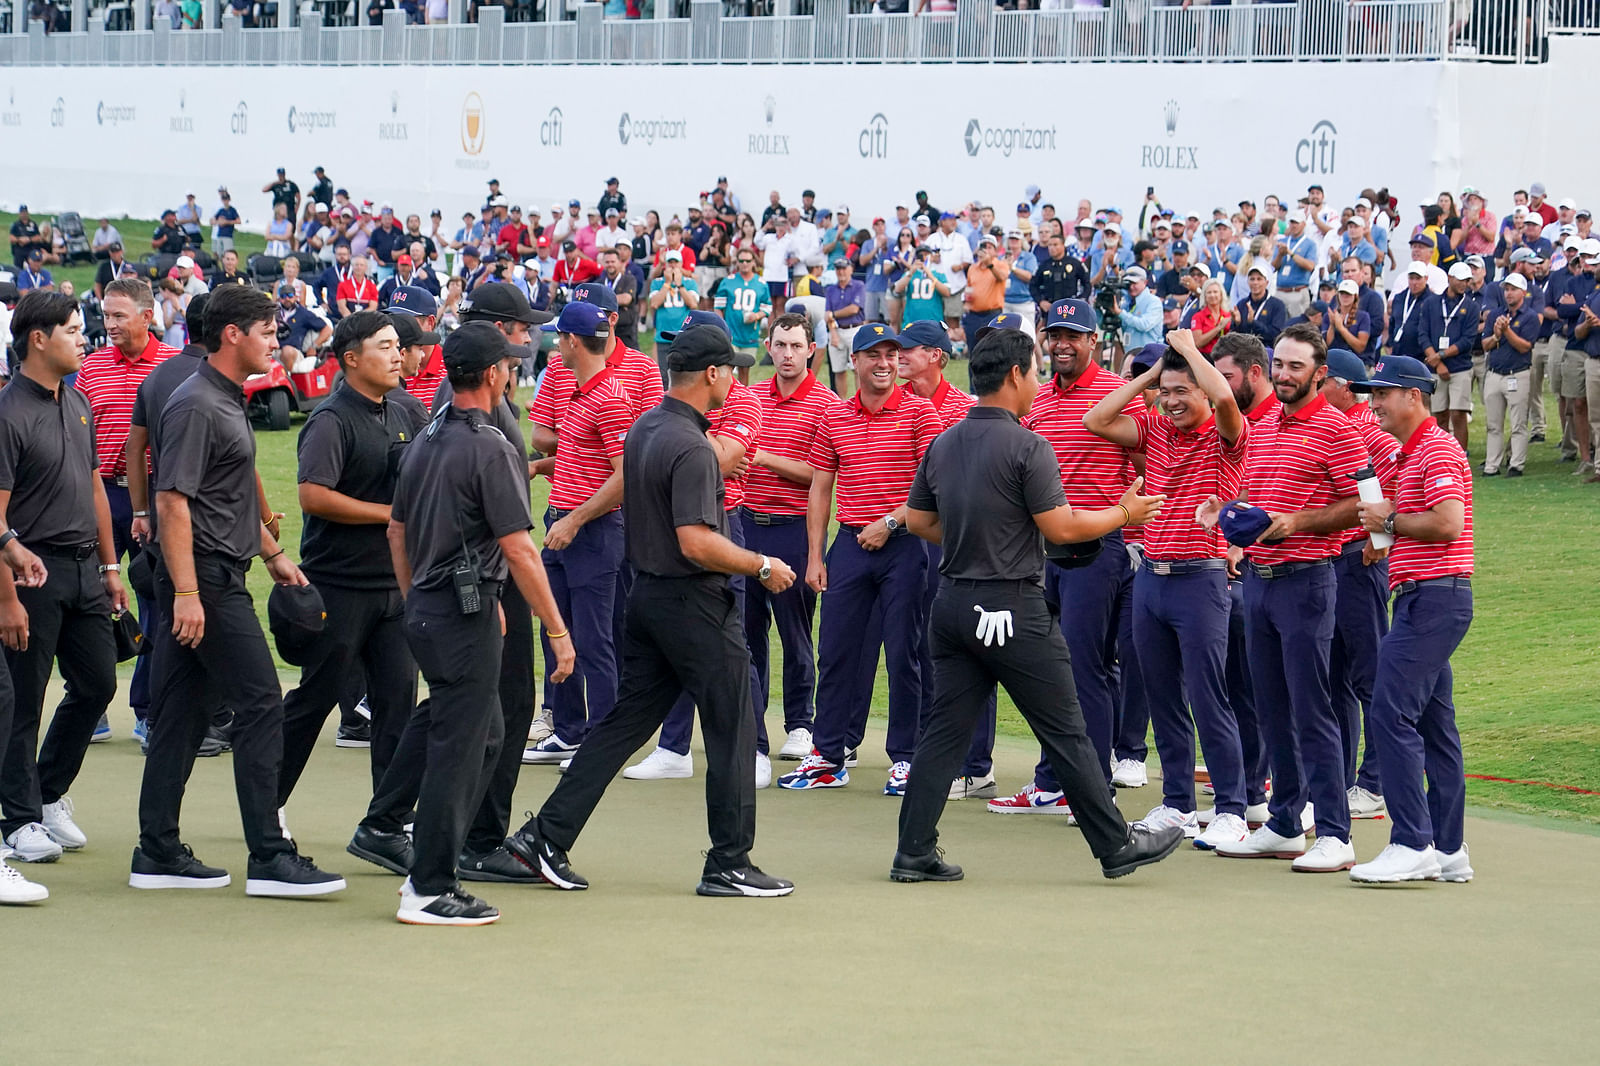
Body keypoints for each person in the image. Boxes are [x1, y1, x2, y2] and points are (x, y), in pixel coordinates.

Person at [504, 325, 798, 898]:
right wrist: (761, 564)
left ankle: (544, 836)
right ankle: (729, 863)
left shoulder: (647, 427)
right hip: (693, 603)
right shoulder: (690, 445)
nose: (737, 378)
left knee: (623, 725)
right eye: (731, 369)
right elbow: (695, 541)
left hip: (648, 599)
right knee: (735, 723)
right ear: (711, 375)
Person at [891, 328, 1182, 884]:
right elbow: (1063, 527)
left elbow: (920, 522)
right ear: (1015, 376)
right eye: (1033, 371)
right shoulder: (1029, 445)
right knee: (1066, 729)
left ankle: (914, 849)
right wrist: (1125, 514)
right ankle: (1116, 844)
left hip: (952, 607)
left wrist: (976, 538)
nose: (1037, 383)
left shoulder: (944, 442)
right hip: (1009, 607)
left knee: (943, 732)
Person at [133, 284, 345, 897]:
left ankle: (157, 850)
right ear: (233, 334)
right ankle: (270, 857)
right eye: (268, 331)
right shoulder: (198, 403)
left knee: (182, 713)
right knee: (261, 706)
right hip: (206, 583)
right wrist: (188, 593)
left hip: (217, 573)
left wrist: (273, 553)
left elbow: (227, 491)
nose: (278, 340)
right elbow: (173, 500)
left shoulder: (221, 398)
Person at [384, 322, 572, 925]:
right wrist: (557, 630)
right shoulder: (489, 443)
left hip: (435, 609)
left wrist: (418, 597)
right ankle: (428, 885)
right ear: (492, 374)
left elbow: (397, 530)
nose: (513, 373)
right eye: (509, 366)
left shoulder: (428, 435)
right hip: (460, 616)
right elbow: (519, 548)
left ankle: (437, 863)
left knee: (485, 732)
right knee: (460, 748)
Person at [1082, 329, 1254, 848]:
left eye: (1185, 391)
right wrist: (1152, 376)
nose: (1174, 401)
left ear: (1203, 389)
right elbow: (1097, 420)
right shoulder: (1157, 429)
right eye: (1168, 393)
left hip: (1200, 578)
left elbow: (1225, 398)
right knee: (1163, 700)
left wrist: (1192, 352)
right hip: (1150, 578)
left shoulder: (1227, 437)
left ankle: (1231, 809)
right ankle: (1178, 803)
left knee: (1208, 697)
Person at [1216, 323, 1368, 872]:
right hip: (1259, 579)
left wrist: (1295, 522)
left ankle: (1334, 831)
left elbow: (1362, 506)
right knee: (1271, 706)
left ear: (1319, 373)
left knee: (1312, 708)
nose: (1283, 374)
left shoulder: (1336, 428)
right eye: (1278, 364)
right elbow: (1254, 492)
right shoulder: (1263, 427)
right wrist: (1236, 523)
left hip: (1308, 580)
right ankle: (1283, 823)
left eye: (1295, 366)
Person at [778, 325, 941, 796]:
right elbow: (820, 489)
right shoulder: (835, 416)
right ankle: (828, 756)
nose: (885, 363)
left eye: (892, 354)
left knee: (903, 654)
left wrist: (890, 523)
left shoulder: (919, 413)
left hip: (905, 545)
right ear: (855, 362)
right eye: (874, 355)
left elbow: (932, 487)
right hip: (850, 545)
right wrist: (815, 557)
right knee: (836, 651)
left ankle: (906, 758)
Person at [274, 311, 422, 830]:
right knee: (314, 700)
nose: (398, 354)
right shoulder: (331, 419)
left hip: (393, 589)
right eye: (385, 347)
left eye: (398, 346)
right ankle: (268, 804)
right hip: (338, 587)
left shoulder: (404, 412)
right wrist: (390, 515)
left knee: (398, 705)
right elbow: (312, 495)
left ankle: (390, 818)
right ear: (352, 358)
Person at [0, 292, 124, 865]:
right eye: (73, 331)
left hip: (84, 571)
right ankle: (17, 819)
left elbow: (95, 486)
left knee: (98, 684)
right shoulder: (7, 413)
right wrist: (7, 599)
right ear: (38, 339)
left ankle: (46, 795)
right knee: (23, 700)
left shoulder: (78, 403)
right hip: (30, 574)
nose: (85, 339)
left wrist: (109, 565)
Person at [1346, 355, 1474, 884]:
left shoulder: (1436, 449)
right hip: (1427, 598)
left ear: (1413, 397)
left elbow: (1447, 523)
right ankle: (1447, 848)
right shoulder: (1412, 452)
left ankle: (1411, 841)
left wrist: (1390, 520)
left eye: (1383, 393)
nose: (1374, 402)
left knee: (1390, 712)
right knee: (1434, 723)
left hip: (1434, 598)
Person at [518, 303, 632, 765]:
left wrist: (575, 519)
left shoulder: (610, 397)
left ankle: (601, 743)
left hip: (592, 532)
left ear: (571, 341)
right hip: (563, 525)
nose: (553, 345)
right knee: (555, 629)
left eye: (557, 338)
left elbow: (625, 475)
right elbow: (584, 460)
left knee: (593, 639)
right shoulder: (583, 392)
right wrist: (541, 467)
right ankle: (567, 731)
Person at [73, 279, 180, 743]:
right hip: (97, 496)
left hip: (154, 498)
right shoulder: (90, 367)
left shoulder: (173, 366)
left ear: (146, 315)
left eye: (118, 315)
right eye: (106, 314)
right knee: (91, 600)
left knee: (155, 602)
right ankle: (90, 702)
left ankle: (147, 708)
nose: (109, 324)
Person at [739, 313, 836, 765]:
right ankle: (750, 722)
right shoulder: (753, 396)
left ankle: (800, 723)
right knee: (748, 631)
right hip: (747, 525)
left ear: (811, 349)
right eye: (780, 345)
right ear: (769, 346)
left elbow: (819, 476)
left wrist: (762, 457)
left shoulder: (826, 404)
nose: (787, 354)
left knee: (796, 633)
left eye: (796, 346)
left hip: (794, 527)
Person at [1318, 348, 1402, 821]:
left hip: (1359, 561)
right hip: (1334, 562)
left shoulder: (1367, 429)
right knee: (1336, 679)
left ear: (1345, 387)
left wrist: (1381, 536)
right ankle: (1343, 779)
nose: (1316, 386)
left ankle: (1374, 783)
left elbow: (1397, 483)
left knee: (1369, 677)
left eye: (1324, 380)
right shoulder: (1340, 427)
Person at [1480, 271, 1540, 477]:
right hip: (1495, 373)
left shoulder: (1530, 317)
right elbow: (1485, 344)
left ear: (1523, 292)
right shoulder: (1495, 314)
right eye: (1506, 289)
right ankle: (1491, 465)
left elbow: (1525, 347)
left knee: (1518, 423)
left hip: (1518, 374)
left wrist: (1506, 332)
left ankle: (1516, 464)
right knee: (1493, 424)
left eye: (1513, 289)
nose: (1508, 293)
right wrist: (1497, 334)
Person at [1428, 263, 1481, 450]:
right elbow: (1423, 335)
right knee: (1439, 414)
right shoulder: (1432, 303)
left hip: (1460, 367)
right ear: (1450, 278)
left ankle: (1460, 456)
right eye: (1460, 279)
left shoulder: (1471, 307)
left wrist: (1440, 355)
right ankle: (1442, 453)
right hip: (1436, 368)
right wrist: (1437, 362)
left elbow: (1467, 340)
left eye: (1467, 280)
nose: (1464, 284)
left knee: (1458, 413)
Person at [714, 249, 772, 368]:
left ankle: (743, 388)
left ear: (753, 262)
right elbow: (718, 307)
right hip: (731, 333)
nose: (744, 263)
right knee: (728, 368)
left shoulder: (761, 284)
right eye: (741, 260)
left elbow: (767, 308)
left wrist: (756, 316)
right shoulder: (727, 281)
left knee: (745, 369)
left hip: (750, 334)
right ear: (737, 263)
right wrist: (722, 327)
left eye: (748, 260)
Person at [648, 252, 700, 379]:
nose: (673, 265)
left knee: (684, 375)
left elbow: (693, 304)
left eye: (675, 262)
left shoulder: (689, 283)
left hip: (684, 334)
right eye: (670, 262)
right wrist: (667, 284)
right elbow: (654, 304)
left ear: (681, 264)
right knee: (664, 376)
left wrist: (679, 285)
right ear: (665, 265)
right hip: (663, 335)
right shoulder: (657, 282)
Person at [1234, 265, 1288, 346]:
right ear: (1248, 282)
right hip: (1243, 349)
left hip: (1266, 350)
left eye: (1259, 279)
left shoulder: (1277, 305)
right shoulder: (1242, 304)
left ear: (1266, 283)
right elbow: (1234, 334)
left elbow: (1275, 335)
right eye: (1252, 279)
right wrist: (1237, 324)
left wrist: (1253, 323)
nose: (1255, 282)